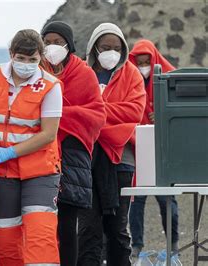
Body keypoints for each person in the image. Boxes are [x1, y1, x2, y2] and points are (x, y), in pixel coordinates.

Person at [0, 29, 63, 265]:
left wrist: (10, 152)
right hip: (1, 169)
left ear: (40, 58)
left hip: (40, 170)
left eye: (32, 60)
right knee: (4, 241)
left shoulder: (51, 86)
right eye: (21, 58)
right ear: (11, 54)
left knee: (40, 237)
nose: (26, 64)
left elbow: (48, 134)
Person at [76, 23, 146, 266]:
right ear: (94, 46)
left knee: (117, 229)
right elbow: (73, 112)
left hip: (121, 160)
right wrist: (111, 121)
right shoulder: (81, 73)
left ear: (124, 49)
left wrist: (95, 112)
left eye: (117, 48)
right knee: (88, 228)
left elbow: (135, 111)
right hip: (85, 160)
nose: (111, 52)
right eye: (106, 47)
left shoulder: (132, 74)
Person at [40, 21, 106, 266]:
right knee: (42, 222)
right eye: (47, 42)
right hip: (41, 152)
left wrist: (57, 116)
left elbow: (97, 115)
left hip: (73, 155)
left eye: (58, 42)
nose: (52, 47)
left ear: (69, 45)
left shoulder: (84, 74)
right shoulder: (37, 71)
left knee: (67, 223)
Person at [128, 39, 179, 258]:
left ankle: (174, 244)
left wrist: (162, 114)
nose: (142, 66)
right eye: (138, 62)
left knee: (166, 197)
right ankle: (136, 244)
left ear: (153, 59)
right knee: (136, 199)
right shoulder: (129, 78)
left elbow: (179, 109)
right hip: (136, 144)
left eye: (145, 62)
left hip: (162, 148)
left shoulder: (170, 76)